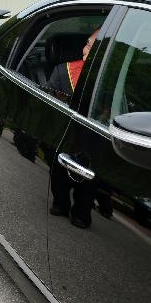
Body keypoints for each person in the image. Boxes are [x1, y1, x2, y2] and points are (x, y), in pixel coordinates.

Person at [47, 28, 99, 229]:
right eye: (87, 43)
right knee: (57, 166)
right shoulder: (63, 71)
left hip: (95, 142)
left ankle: (81, 211)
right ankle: (60, 202)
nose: (84, 49)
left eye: (91, 46)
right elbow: (50, 105)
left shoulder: (116, 79)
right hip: (65, 134)